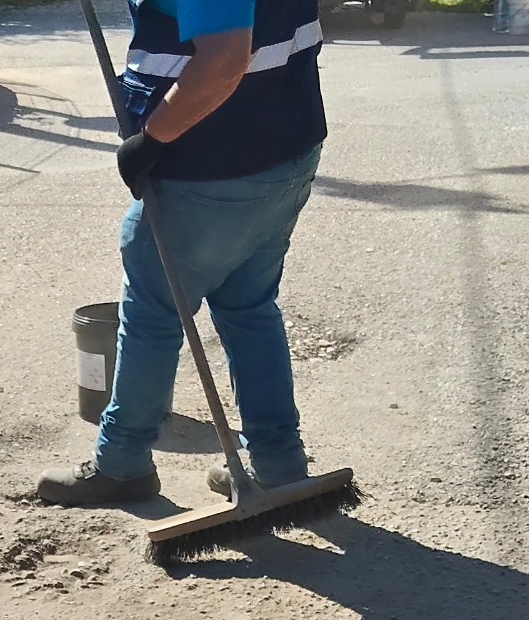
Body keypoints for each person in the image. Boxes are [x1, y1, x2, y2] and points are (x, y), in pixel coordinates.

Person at [38, 0, 327, 505]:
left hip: (210, 163)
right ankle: (279, 463)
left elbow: (224, 57)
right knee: (249, 306)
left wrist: (153, 139)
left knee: (153, 314)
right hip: (286, 149)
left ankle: (122, 463)